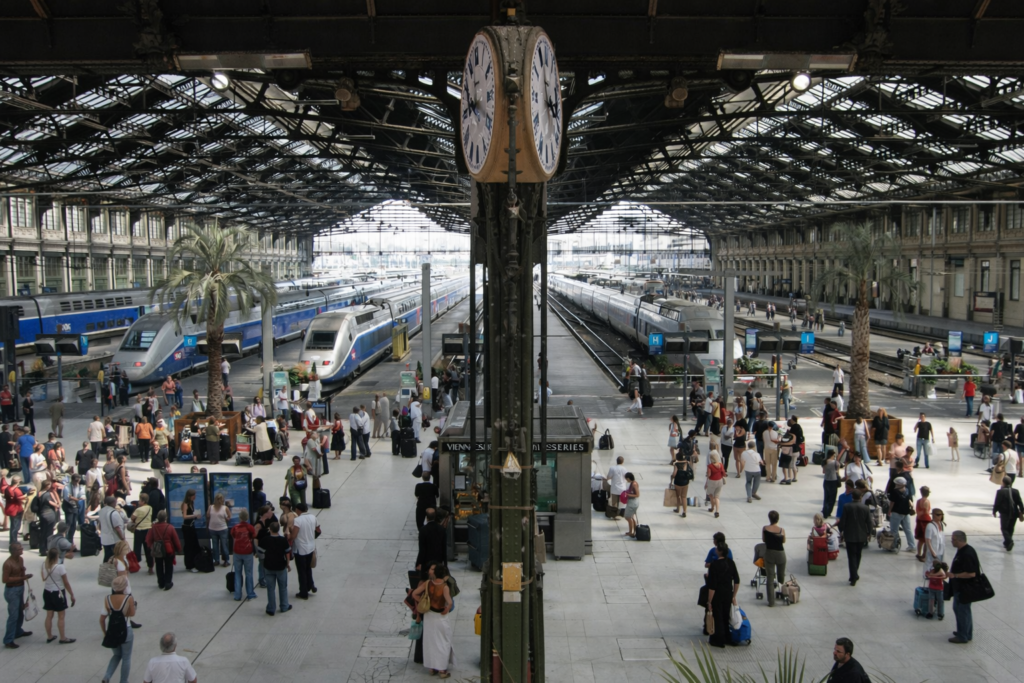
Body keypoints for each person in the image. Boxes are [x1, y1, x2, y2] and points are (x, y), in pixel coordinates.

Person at [410, 563, 455, 678]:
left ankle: (431, 668)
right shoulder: (445, 586)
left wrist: (423, 602)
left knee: (430, 642)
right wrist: (447, 608)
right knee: (443, 642)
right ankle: (442, 670)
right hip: (440, 616)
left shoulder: (427, 583)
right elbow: (449, 602)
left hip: (429, 615)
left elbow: (414, 593)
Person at [101, 576, 136, 683]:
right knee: (126, 657)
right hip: (126, 630)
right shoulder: (128, 598)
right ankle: (123, 681)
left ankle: (107, 676)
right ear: (125, 586)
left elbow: (102, 619)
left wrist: (105, 633)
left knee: (116, 655)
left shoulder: (107, 599)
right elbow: (132, 614)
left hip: (112, 631)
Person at [705, 543, 740, 648]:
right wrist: (734, 595)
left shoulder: (714, 565)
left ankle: (719, 640)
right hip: (728, 592)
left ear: (718, 551)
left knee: (718, 616)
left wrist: (709, 601)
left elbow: (712, 586)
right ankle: (728, 637)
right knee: (726, 616)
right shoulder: (731, 563)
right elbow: (737, 581)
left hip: (717, 594)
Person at [948, 530, 979, 643]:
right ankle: (966, 632)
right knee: (960, 609)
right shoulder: (963, 550)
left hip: (965, 589)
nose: (952, 541)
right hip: (960, 588)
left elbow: (972, 573)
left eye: (953, 539)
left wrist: (954, 575)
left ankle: (963, 636)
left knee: (962, 611)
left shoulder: (967, 553)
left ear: (960, 540)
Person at [40, 546, 75, 644]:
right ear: (56, 556)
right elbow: (66, 583)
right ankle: (62, 637)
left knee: (49, 616)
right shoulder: (60, 567)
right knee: (61, 616)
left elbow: (43, 578)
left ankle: (49, 636)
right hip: (58, 592)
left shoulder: (44, 565)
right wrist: (71, 594)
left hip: (47, 592)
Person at [837, 489, 872, 586]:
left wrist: (841, 531)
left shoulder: (847, 506)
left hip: (850, 535)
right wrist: (869, 532)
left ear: (852, 497)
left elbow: (842, 521)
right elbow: (869, 522)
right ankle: (854, 574)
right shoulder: (865, 508)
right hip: (861, 535)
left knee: (851, 556)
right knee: (858, 554)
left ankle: (853, 576)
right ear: (861, 497)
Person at [2, 541, 32, 648]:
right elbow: (5, 579)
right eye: (20, 549)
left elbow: (21, 574)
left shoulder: (20, 559)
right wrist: (22, 578)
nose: (22, 550)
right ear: (14, 551)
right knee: (13, 615)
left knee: (20, 612)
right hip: (12, 591)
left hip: (20, 588)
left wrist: (23, 573)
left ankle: (18, 631)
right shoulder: (8, 563)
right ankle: (8, 639)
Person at [146, 510, 180, 591]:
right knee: (169, 565)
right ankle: (168, 582)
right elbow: (175, 539)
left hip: (158, 549)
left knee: (159, 565)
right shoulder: (170, 527)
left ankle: (161, 582)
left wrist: (152, 546)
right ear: (166, 518)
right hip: (168, 548)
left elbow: (148, 539)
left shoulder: (153, 527)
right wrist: (178, 548)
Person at [229, 508, 258, 601]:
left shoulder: (235, 527)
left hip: (237, 552)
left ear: (239, 517)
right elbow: (254, 536)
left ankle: (237, 595)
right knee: (248, 573)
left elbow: (233, 535)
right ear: (247, 518)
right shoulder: (250, 527)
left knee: (237, 573)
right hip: (247, 552)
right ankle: (250, 593)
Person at [290, 503, 317, 599]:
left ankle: (303, 592)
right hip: (311, 547)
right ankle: (311, 585)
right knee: (308, 568)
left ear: (298, 510)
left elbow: (293, 536)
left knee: (301, 571)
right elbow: (317, 529)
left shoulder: (298, 520)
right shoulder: (313, 517)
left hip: (300, 549)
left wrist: (288, 534)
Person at [761, 511, 787, 607]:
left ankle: (771, 602)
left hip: (769, 554)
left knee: (770, 579)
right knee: (781, 576)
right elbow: (783, 541)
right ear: (778, 518)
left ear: (769, 518)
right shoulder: (781, 530)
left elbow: (764, 540)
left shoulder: (765, 529)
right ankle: (784, 594)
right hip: (780, 554)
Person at [993, 477, 1024, 551]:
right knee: (1011, 528)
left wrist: (994, 511)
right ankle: (1007, 543)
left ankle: (1009, 541)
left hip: (1004, 513)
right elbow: (1020, 502)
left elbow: (997, 503)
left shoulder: (1000, 492)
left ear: (1003, 483)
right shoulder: (1016, 491)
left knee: (1004, 528)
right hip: (1014, 513)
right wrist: (1022, 511)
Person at [888, 477, 915, 552]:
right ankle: (912, 545)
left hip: (896, 513)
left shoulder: (894, 492)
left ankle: (893, 545)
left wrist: (889, 511)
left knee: (894, 530)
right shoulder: (907, 490)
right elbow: (910, 500)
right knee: (908, 530)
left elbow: (892, 503)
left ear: (898, 484)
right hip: (906, 513)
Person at [130, 492, 155, 575]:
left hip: (139, 530)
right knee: (148, 549)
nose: (138, 502)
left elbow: (132, 518)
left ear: (143, 501)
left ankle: (135, 564)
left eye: (140, 500)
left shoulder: (138, 509)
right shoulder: (150, 508)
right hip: (148, 530)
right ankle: (150, 567)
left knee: (137, 548)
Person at [207, 492, 232, 568]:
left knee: (221, 545)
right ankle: (221, 560)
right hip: (217, 528)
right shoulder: (213, 507)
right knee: (218, 545)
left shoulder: (223, 507)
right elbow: (208, 515)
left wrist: (227, 518)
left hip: (218, 528)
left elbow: (229, 516)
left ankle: (221, 560)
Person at [99, 495, 127, 562]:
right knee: (112, 557)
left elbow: (100, 525)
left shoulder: (101, 511)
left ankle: (106, 570)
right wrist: (122, 538)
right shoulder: (114, 513)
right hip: (113, 539)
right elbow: (117, 528)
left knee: (107, 555)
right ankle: (109, 570)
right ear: (113, 503)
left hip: (104, 538)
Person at [180, 489, 201, 573]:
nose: (194, 497)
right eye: (193, 496)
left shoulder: (192, 503)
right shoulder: (185, 504)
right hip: (187, 527)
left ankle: (195, 562)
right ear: (189, 496)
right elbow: (184, 516)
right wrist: (194, 515)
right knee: (189, 546)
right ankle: (190, 564)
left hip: (192, 525)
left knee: (195, 545)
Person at [670, 447, 694, 516]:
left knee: (678, 496)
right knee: (684, 497)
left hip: (678, 482)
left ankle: (678, 509)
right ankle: (684, 511)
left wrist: (671, 478)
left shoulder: (676, 464)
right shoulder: (686, 463)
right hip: (685, 482)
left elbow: (674, 474)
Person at [913, 486, 933, 562]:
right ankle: (924, 554)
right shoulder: (927, 501)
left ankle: (918, 553)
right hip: (926, 520)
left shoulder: (918, 501)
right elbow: (926, 512)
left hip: (919, 519)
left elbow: (918, 511)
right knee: (927, 538)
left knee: (921, 539)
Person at [705, 449, 726, 518]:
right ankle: (717, 511)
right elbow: (723, 473)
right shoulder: (721, 465)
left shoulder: (710, 466)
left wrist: (706, 483)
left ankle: (712, 507)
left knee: (711, 495)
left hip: (712, 481)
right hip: (719, 481)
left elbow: (709, 475)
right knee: (717, 497)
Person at [822, 449, 841, 518]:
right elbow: (837, 471)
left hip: (826, 480)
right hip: (833, 480)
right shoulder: (835, 463)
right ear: (833, 455)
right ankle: (828, 512)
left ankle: (825, 511)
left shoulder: (824, 461)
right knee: (832, 498)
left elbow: (823, 471)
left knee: (826, 497)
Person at [622, 472, 640, 537]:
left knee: (628, 517)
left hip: (632, 503)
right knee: (632, 517)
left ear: (629, 478)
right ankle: (633, 532)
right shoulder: (633, 483)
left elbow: (637, 494)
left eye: (626, 479)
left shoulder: (634, 484)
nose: (626, 480)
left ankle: (631, 532)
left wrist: (628, 494)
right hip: (633, 502)